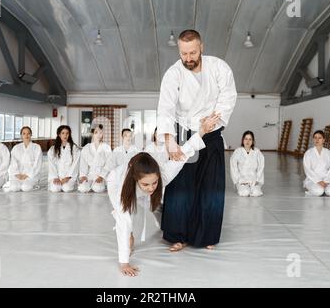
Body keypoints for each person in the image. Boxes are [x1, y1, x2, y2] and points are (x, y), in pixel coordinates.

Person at [107, 114, 219, 277]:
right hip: (116, 184)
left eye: (154, 183)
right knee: (125, 217)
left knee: (157, 206)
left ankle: (164, 226)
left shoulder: (164, 174)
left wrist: (201, 131)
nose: (151, 188)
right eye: (146, 184)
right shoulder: (122, 184)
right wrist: (124, 262)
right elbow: (123, 221)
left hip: (145, 181)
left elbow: (185, 152)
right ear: (136, 180)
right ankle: (130, 238)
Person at [156, 29, 237, 251]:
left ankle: (206, 235)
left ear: (201, 47)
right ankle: (177, 235)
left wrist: (215, 119)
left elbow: (228, 96)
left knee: (211, 187)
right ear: (179, 51)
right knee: (181, 186)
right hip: (183, 132)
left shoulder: (219, 67)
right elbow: (165, 108)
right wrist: (170, 140)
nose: (188, 58)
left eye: (192, 52)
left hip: (211, 131)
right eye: (184, 54)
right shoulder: (173, 74)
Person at [303, 130, 330, 197]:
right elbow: (307, 169)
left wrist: (326, 181)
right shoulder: (308, 153)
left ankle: (325, 188)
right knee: (319, 191)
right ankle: (309, 187)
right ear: (313, 139)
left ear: (323, 140)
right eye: (315, 137)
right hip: (313, 179)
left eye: (319, 138)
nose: (317, 140)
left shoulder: (329, 153)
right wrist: (319, 181)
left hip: (326, 179)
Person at [78, 124, 112, 193]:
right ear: (92, 134)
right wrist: (83, 175)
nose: (98, 135)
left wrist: (102, 176)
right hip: (89, 175)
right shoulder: (86, 147)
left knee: (98, 189)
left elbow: (109, 164)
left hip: (101, 175)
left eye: (100, 133)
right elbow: (83, 163)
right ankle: (89, 184)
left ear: (103, 134)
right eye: (96, 132)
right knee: (83, 188)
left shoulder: (106, 147)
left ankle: (97, 184)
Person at [230, 131, 265, 197]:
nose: (247, 141)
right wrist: (238, 180)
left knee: (256, 192)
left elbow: (261, 166)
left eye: (250, 139)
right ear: (243, 140)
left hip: (254, 179)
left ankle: (253, 187)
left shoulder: (257, 152)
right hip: (242, 180)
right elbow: (233, 166)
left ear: (253, 141)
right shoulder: (238, 151)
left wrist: (257, 179)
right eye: (246, 139)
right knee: (245, 192)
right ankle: (242, 187)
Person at [8, 126, 43, 192]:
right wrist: (17, 174)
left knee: (26, 188)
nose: (26, 135)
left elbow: (37, 164)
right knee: (14, 188)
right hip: (18, 175)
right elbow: (13, 162)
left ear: (31, 134)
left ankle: (31, 184)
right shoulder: (16, 147)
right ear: (21, 135)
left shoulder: (37, 147)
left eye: (28, 133)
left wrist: (27, 174)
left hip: (31, 175)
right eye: (24, 133)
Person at [48, 125, 80, 193]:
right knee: (55, 189)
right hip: (57, 176)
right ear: (59, 134)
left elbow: (75, 164)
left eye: (67, 133)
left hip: (69, 177)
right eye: (63, 133)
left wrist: (68, 177)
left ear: (69, 134)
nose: (65, 135)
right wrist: (55, 177)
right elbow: (51, 165)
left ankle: (70, 184)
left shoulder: (74, 148)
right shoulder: (53, 149)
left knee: (66, 188)